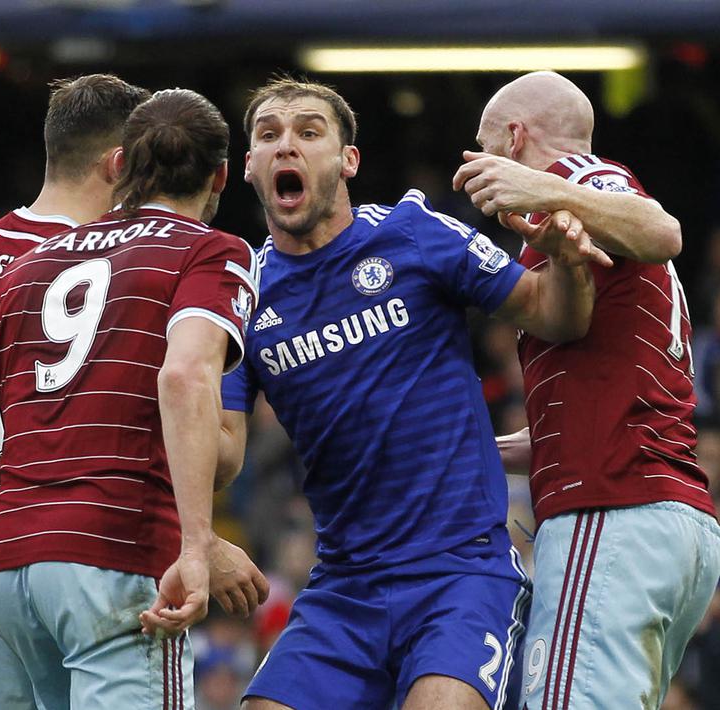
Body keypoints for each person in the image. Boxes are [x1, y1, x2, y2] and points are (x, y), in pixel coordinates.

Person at [222, 77, 606, 710]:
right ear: (250, 169)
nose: (286, 146)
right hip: (343, 588)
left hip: (461, 574)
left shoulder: (413, 231)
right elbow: (220, 452)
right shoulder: (242, 298)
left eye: (308, 133)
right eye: (269, 136)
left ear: (348, 160)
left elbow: (556, 317)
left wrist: (566, 259)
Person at [0, 74, 268, 694]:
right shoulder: (211, 252)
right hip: (116, 552)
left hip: (6, 569)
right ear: (220, 177)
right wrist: (196, 546)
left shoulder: (22, 269)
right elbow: (184, 375)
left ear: (126, 168)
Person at [454, 70, 720, 709]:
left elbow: (664, 230)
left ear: (515, 140)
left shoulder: (583, 183)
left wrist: (541, 186)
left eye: (488, 152)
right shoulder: (584, 229)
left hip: (612, 513)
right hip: (663, 516)